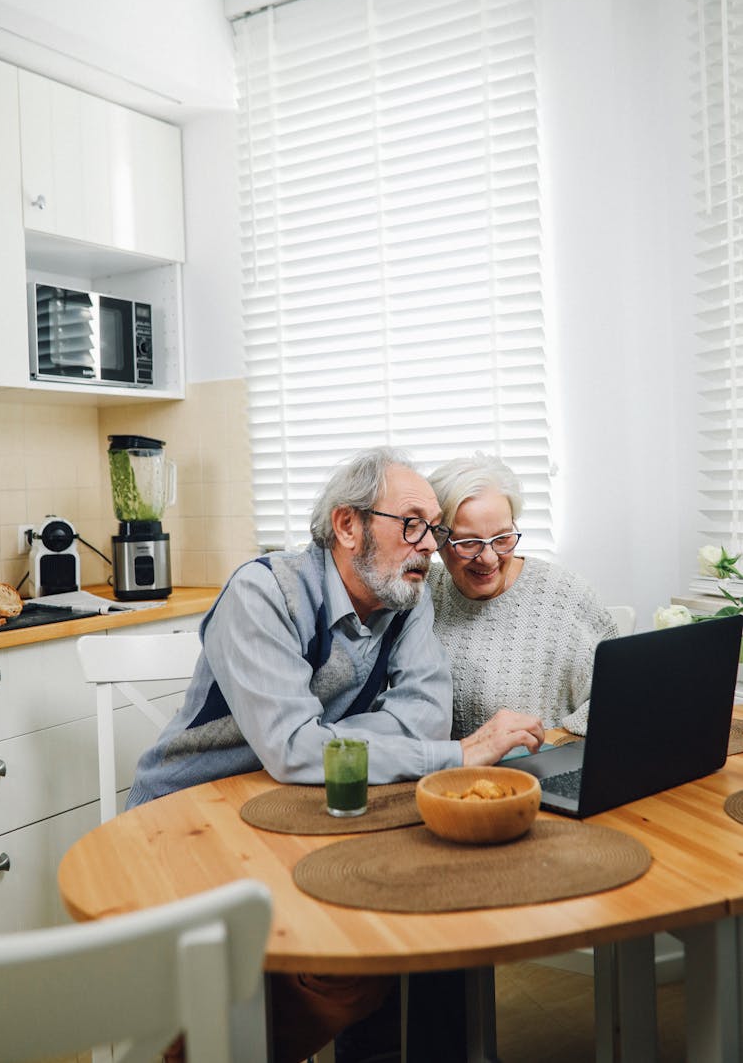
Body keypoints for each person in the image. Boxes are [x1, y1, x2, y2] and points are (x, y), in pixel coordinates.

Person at [126, 446, 544, 1063]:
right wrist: (450, 755)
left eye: (432, 527)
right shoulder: (263, 591)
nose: (430, 545)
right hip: (187, 822)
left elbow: (419, 716)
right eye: (411, 524)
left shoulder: (408, 598)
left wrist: (324, 737)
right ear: (348, 526)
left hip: (312, 814)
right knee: (351, 962)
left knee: (418, 919)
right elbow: (296, 751)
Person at [427, 451, 618, 738]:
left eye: (503, 538)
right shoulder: (421, 592)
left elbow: (619, 697)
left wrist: (552, 740)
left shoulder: (564, 595)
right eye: (469, 543)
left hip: (541, 765)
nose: (489, 558)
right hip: (446, 775)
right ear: (438, 539)